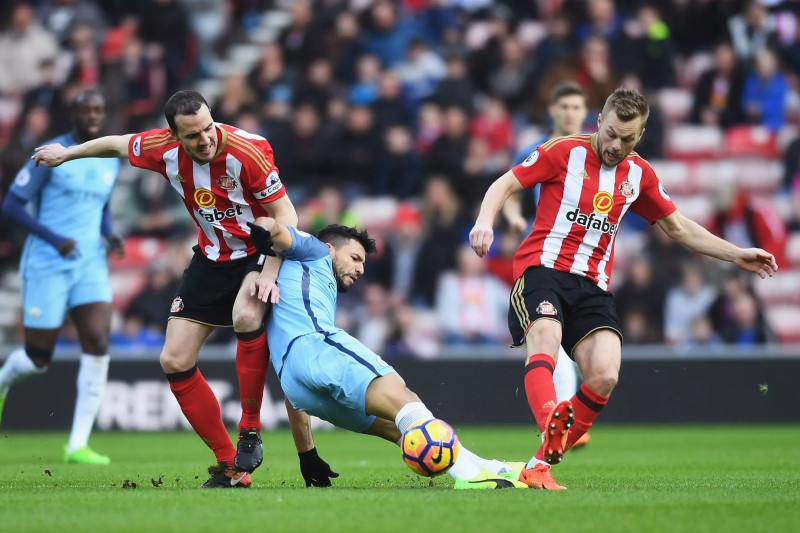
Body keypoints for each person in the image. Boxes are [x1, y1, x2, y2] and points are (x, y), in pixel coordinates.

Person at [469, 87, 778, 490]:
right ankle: (551, 419)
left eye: (628, 138)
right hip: (541, 269)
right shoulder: (563, 151)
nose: (616, 145)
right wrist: (484, 222)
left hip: (592, 285)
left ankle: (539, 465)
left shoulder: (640, 175)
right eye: (612, 133)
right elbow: (504, 185)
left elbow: (679, 228)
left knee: (605, 374)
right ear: (599, 121)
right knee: (545, 333)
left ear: (641, 135)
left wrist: (736, 254)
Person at [31, 90, 332, 489]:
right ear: (175, 135)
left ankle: (250, 431)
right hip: (211, 259)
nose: (205, 140)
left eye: (208, 128)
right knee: (173, 359)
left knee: (246, 315)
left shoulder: (249, 150)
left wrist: (270, 270)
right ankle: (231, 466)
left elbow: (286, 215)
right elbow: (118, 144)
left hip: (259, 252)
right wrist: (67, 154)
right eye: (193, 136)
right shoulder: (161, 148)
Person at [247, 219, 528, 490]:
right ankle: (469, 476)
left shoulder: (301, 285)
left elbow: (299, 371)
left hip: (294, 385)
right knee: (404, 398)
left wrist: (306, 454)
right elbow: (275, 226)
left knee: (400, 429)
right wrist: (266, 229)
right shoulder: (315, 249)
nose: (360, 270)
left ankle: (489, 467)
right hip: (316, 346)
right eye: (355, 258)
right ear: (331, 249)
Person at [0, 91, 122, 465]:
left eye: (98, 109)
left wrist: (109, 232)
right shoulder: (50, 154)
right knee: (39, 357)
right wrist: (55, 240)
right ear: (72, 114)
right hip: (48, 262)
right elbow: (10, 206)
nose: (92, 116)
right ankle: (3, 380)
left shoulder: (109, 158)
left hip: (89, 264)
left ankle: (77, 444)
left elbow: (100, 204)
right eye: (85, 109)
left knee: (99, 341)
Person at [502, 81, 591, 449]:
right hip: (546, 254)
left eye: (577, 107)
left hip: (584, 256)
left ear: (585, 112)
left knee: (563, 336)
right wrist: (513, 219)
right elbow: (509, 188)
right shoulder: (537, 150)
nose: (571, 113)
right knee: (550, 333)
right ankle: (561, 416)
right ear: (553, 110)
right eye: (565, 106)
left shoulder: (595, 152)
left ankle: (562, 416)